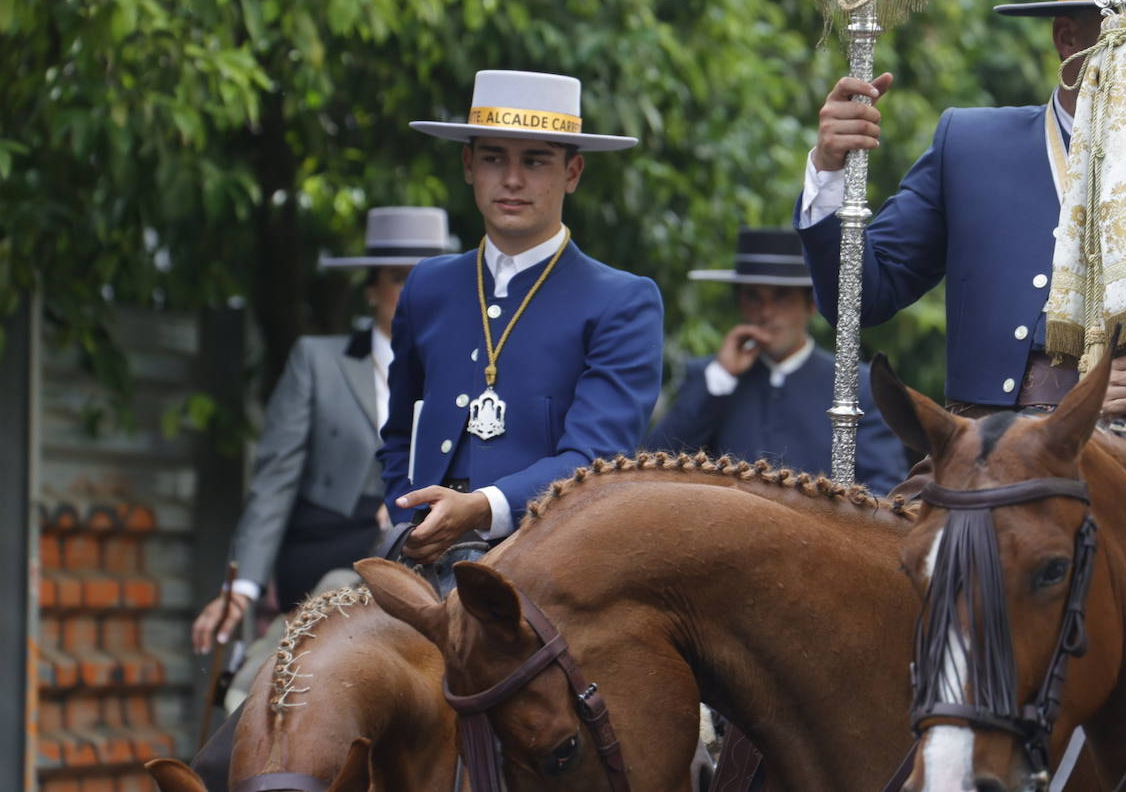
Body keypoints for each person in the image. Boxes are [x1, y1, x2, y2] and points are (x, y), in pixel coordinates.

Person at [795, 0, 1126, 424]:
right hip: (993, 457)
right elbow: (860, 300)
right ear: (1066, 39)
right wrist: (830, 170)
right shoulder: (970, 145)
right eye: (1124, 34)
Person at [382, 69, 664, 563]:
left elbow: (594, 460)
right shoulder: (428, 285)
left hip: (551, 567)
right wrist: (406, 516)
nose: (512, 180)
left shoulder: (622, 301)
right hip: (419, 561)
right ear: (469, 164)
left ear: (572, 173)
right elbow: (398, 436)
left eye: (535, 161)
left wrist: (480, 507)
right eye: (494, 158)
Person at [191, 206, 452, 654]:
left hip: (430, 541)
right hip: (329, 543)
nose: (416, 292)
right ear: (371, 289)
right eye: (400, 278)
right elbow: (275, 481)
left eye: (428, 277)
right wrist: (244, 586)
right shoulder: (317, 362)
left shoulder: (469, 369)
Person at [646, 227, 909, 493]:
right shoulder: (709, 376)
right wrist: (720, 380)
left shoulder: (856, 384)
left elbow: (884, 489)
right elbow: (654, 466)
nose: (766, 312)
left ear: (811, 304)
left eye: (782, 297)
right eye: (753, 297)